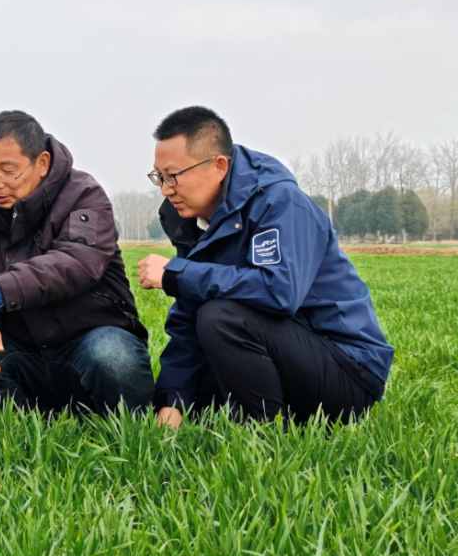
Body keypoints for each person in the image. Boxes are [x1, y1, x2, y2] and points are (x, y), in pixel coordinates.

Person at [137, 106, 393, 426]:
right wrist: (172, 401)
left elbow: (279, 292)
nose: (165, 189)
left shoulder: (281, 203)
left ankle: (261, 434)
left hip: (348, 370)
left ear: (218, 166)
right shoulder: (193, 221)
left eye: (173, 175)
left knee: (220, 317)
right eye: (159, 177)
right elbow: (189, 315)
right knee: (195, 395)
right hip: (283, 352)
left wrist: (180, 274)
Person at [0, 110, 153, 415]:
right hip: (20, 349)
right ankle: (31, 421)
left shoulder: (84, 196)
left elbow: (74, 262)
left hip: (89, 337)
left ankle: (114, 416)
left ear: (41, 163)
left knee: (112, 357)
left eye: (8, 170)